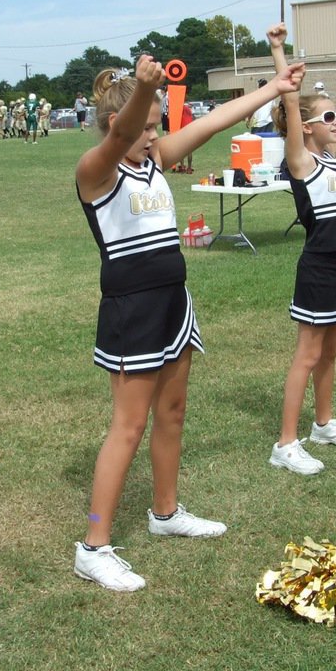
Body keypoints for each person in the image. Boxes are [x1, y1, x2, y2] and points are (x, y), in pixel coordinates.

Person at [73, 52, 304, 592]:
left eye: (157, 127)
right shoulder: (96, 170)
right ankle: (93, 544)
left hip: (175, 304)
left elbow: (212, 122)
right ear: (118, 124)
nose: (156, 136)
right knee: (128, 427)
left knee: (172, 411)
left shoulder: (154, 158)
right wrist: (142, 96)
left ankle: (166, 511)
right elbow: (121, 133)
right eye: (148, 127)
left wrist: (272, 87)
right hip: (132, 312)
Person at [267, 24, 336, 475]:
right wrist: (279, 50)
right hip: (317, 267)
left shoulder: (333, 157)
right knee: (308, 354)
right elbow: (290, 101)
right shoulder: (303, 161)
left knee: (331, 351)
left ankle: (323, 423)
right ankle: (286, 443)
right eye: (328, 118)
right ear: (308, 128)